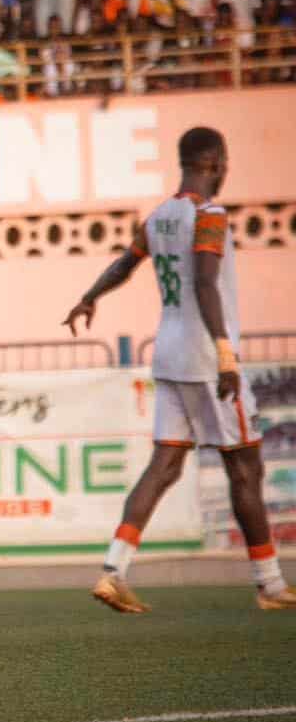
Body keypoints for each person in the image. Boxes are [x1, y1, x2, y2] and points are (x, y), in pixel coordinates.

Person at [62, 126, 296, 613]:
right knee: (245, 466)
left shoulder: (160, 216)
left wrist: (89, 296)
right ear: (214, 162)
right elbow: (206, 283)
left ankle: (113, 570)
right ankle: (271, 584)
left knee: (164, 465)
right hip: (205, 355)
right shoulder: (208, 215)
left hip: (168, 353)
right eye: (224, 162)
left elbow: (125, 264)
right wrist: (225, 354)